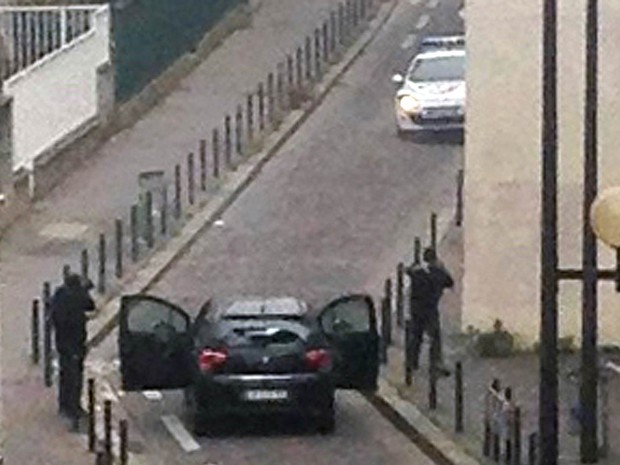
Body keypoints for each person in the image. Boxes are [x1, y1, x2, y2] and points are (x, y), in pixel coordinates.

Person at [50, 272, 96, 421]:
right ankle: (73, 408)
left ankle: (64, 404)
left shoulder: (60, 294)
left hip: (62, 342)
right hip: (75, 343)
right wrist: (85, 291)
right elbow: (90, 305)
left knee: (65, 373)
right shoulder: (76, 298)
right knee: (75, 376)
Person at [406, 247, 454, 377]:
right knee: (435, 337)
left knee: (416, 336)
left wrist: (415, 267)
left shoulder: (418, 272)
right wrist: (442, 267)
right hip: (431, 309)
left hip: (416, 308)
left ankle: (411, 362)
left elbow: (408, 271)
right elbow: (450, 282)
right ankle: (435, 364)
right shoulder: (439, 273)